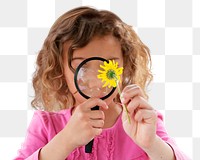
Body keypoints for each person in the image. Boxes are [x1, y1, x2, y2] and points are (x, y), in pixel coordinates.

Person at [15, 6, 190, 160]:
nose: (96, 80)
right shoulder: (46, 125)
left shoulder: (141, 120)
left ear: (125, 67)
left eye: (108, 67)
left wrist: (152, 145)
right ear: (60, 70)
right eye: (80, 66)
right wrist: (65, 141)